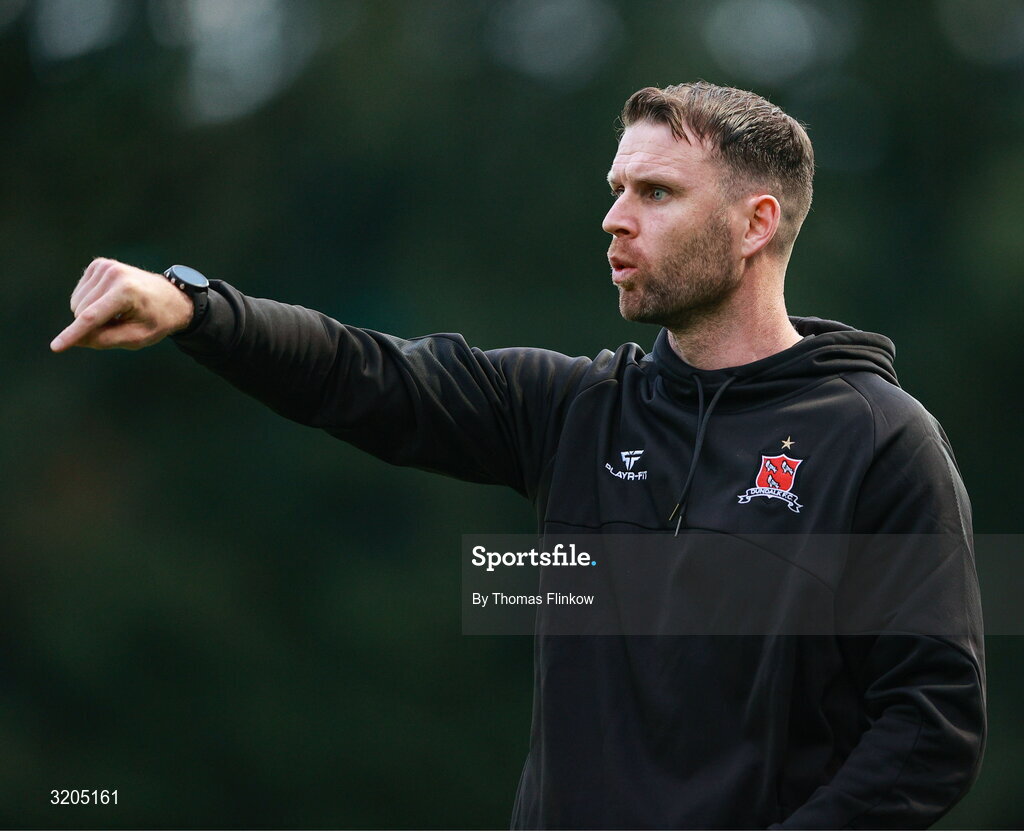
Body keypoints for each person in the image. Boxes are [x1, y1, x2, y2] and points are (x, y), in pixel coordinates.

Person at [51, 82, 985, 829]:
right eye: (615, 191)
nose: (616, 219)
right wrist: (197, 308)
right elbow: (365, 375)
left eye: (655, 193)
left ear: (754, 224)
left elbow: (929, 729)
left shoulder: (880, 440)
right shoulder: (576, 408)